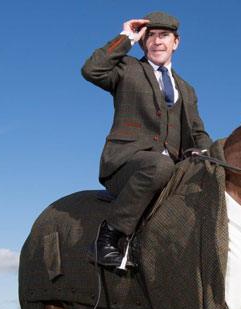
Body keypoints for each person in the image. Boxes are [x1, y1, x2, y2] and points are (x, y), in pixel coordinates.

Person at [81, 12, 213, 268]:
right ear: (143, 42)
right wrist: (127, 37)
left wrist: (205, 151)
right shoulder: (127, 69)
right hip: (125, 165)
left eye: (164, 36)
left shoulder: (186, 89)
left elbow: (196, 132)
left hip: (170, 170)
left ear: (176, 42)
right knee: (159, 166)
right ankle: (107, 237)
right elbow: (91, 69)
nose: (157, 42)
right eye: (150, 36)